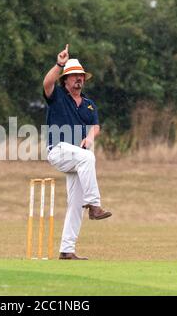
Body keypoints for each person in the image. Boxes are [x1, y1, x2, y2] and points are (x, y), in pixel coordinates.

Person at [43, 45, 112, 260]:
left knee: (75, 204)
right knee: (88, 157)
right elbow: (47, 82)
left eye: (80, 76)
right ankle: (95, 205)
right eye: (73, 76)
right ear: (65, 80)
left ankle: (67, 249)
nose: (78, 79)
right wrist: (60, 64)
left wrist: (90, 137)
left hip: (77, 158)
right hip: (58, 150)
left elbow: (96, 126)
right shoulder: (57, 96)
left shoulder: (89, 104)